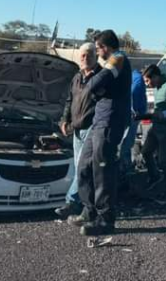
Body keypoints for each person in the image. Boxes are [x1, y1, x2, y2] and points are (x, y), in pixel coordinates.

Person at [71, 29, 132, 236]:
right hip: (98, 122)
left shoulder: (118, 58)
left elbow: (95, 83)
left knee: (102, 171)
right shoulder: (109, 63)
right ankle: (89, 210)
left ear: (106, 47)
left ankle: (105, 219)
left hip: (110, 123)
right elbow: (96, 87)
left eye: (98, 48)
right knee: (84, 166)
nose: (97, 53)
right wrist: (96, 87)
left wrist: (94, 85)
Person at [55, 42, 97, 219]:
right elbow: (69, 100)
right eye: (82, 55)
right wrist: (64, 120)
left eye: (89, 55)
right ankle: (85, 204)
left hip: (91, 128)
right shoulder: (77, 77)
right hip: (76, 129)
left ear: (95, 57)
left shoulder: (101, 77)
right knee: (79, 166)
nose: (85, 58)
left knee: (82, 166)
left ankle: (72, 201)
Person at [139, 64, 166, 200]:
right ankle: (155, 176)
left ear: (155, 77)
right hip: (157, 126)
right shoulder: (156, 88)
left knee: (164, 160)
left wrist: (164, 114)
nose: (147, 84)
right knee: (146, 152)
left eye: (148, 80)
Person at [119, 67, 148, 187]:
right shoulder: (138, 78)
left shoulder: (129, 77)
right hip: (132, 116)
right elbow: (133, 92)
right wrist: (133, 110)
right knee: (127, 143)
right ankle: (125, 170)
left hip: (124, 115)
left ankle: (125, 168)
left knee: (125, 143)